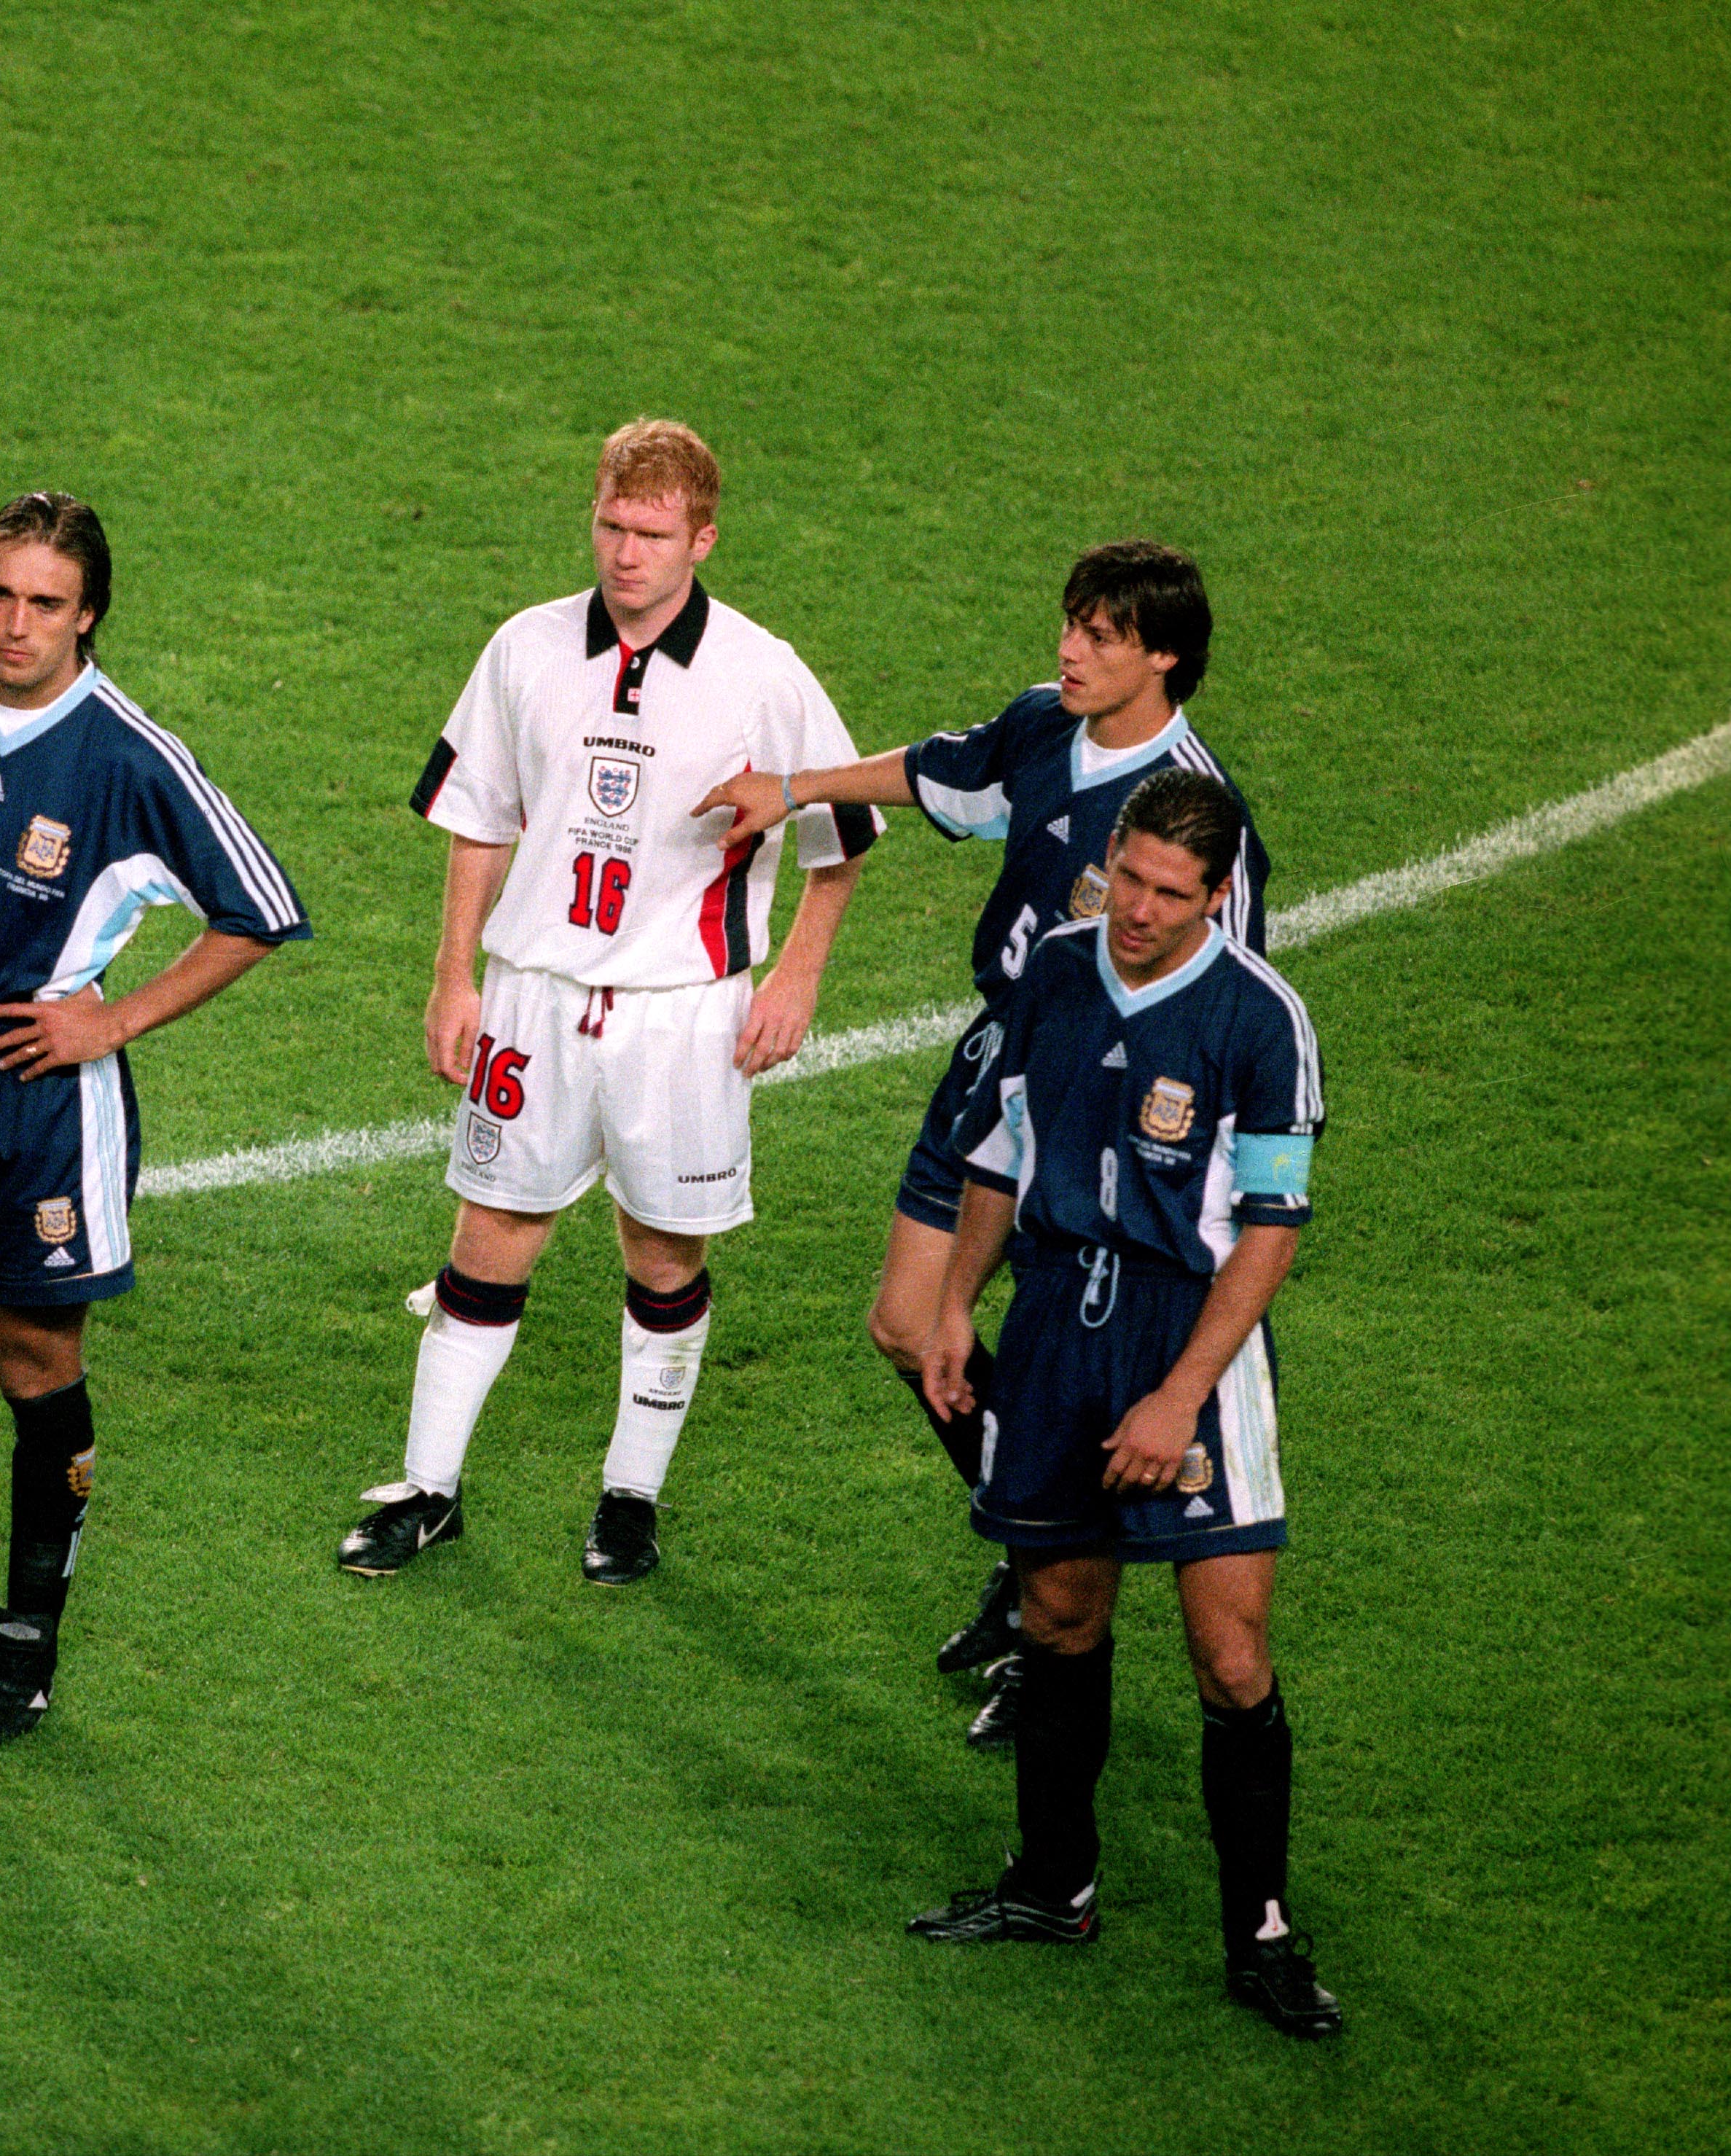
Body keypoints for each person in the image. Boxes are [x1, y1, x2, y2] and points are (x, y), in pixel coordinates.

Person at [696, 539, 1270, 1744]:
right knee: (909, 1326)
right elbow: (941, 772)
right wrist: (792, 788)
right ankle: (1033, 1570)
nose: (1069, 647)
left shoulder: (1194, 818)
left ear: (1162, 655)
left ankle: (1058, 1604)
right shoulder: (1038, 726)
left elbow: (1230, 998)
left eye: (1101, 634)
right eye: (1069, 623)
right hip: (998, 1060)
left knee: (1074, 1356)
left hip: (1103, 1117)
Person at [340, 419, 878, 1585]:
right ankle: (428, 1488)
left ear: (703, 538)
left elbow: (843, 836)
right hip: (533, 996)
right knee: (488, 1233)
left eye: (652, 533)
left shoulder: (760, 673)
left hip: (682, 1011)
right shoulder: (526, 648)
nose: (626, 553)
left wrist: (795, 975)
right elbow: (479, 816)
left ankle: (630, 1497)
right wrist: (453, 972)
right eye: (611, 526)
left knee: (663, 1253)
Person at [0, 491, 311, 1741]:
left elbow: (255, 909)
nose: (15, 624)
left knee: (29, 1359)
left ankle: (24, 1640)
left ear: (88, 612)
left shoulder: (126, 755)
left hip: (39, 1092)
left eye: (45, 602)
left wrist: (114, 1017)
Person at [902, 768, 1339, 2041]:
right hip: (1052, 1323)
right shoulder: (1059, 966)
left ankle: (1258, 1934)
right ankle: (1051, 1883)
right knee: (1056, 1610)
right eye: (1125, 877)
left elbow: (1269, 1227)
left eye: (1166, 891)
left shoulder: (1260, 1019)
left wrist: (1178, 1395)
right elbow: (1002, 1150)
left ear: (1216, 896)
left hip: (1185, 1337)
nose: (1135, 908)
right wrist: (949, 1306)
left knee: (1229, 1649)